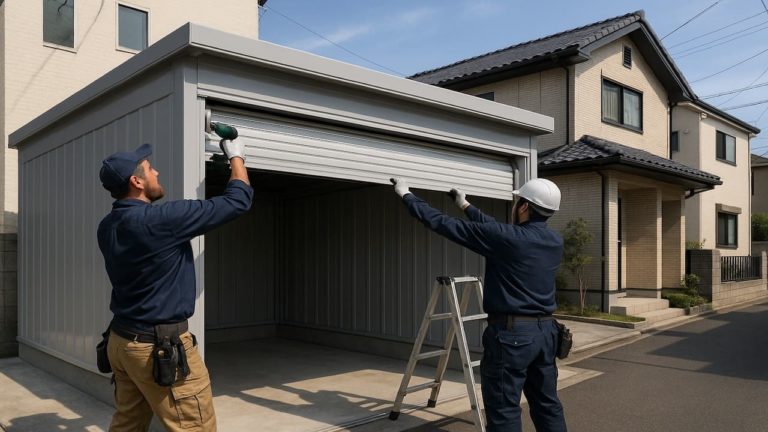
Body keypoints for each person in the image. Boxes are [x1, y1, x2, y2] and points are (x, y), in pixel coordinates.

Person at [97, 138, 252, 431]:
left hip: (121, 343)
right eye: (149, 168)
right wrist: (236, 157)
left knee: (128, 423)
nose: (155, 172)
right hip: (157, 347)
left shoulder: (107, 226)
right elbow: (238, 201)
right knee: (195, 426)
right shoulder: (161, 220)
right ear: (136, 181)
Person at [391, 177, 567, 432]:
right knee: (547, 404)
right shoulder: (554, 241)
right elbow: (495, 229)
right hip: (546, 335)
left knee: (504, 409)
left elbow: (443, 223)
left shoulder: (508, 238)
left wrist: (407, 195)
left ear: (524, 207)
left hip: (512, 337)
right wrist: (465, 205)